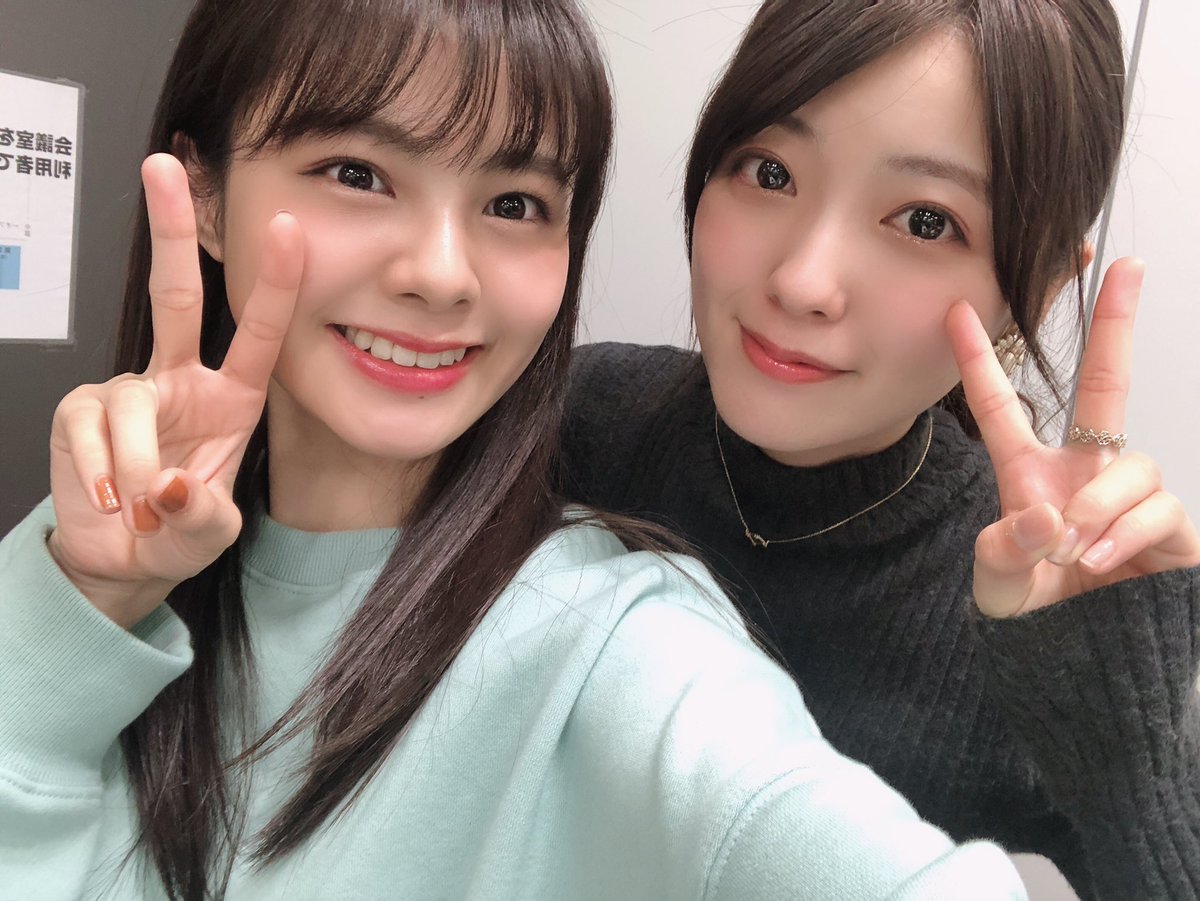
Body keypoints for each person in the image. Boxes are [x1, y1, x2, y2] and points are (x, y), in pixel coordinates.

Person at [0, 0, 1035, 899]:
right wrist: (85, 603)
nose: (443, 274)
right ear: (206, 194)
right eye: (357, 173)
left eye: (513, 205)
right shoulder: (91, 545)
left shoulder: (615, 641)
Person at [562, 2, 1200, 899]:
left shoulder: (1032, 607)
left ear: (1041, 283)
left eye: (926, 222)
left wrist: (1129, 745)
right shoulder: (571, 422)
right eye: (770, 171)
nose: (802, 281)